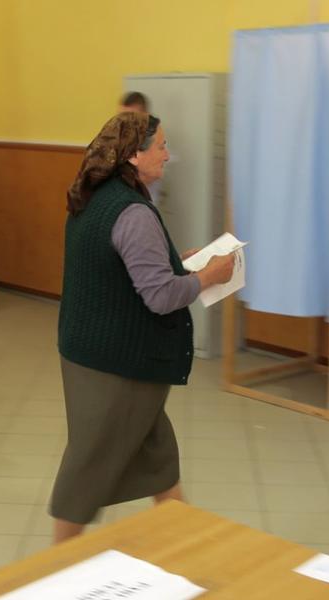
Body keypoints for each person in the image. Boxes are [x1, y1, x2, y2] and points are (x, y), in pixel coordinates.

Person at [52, 112, 235, 543]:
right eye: (162, 146)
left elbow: (127, 267)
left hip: (93, 353)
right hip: (117, 367)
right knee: (86, 472)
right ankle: (55, 562)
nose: (168, 155)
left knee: (158, 461)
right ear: (134, 155)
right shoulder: (132, 211)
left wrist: (178, 262)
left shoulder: (97, 196)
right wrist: (210, 276)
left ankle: (183, 545)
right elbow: (160, 295)